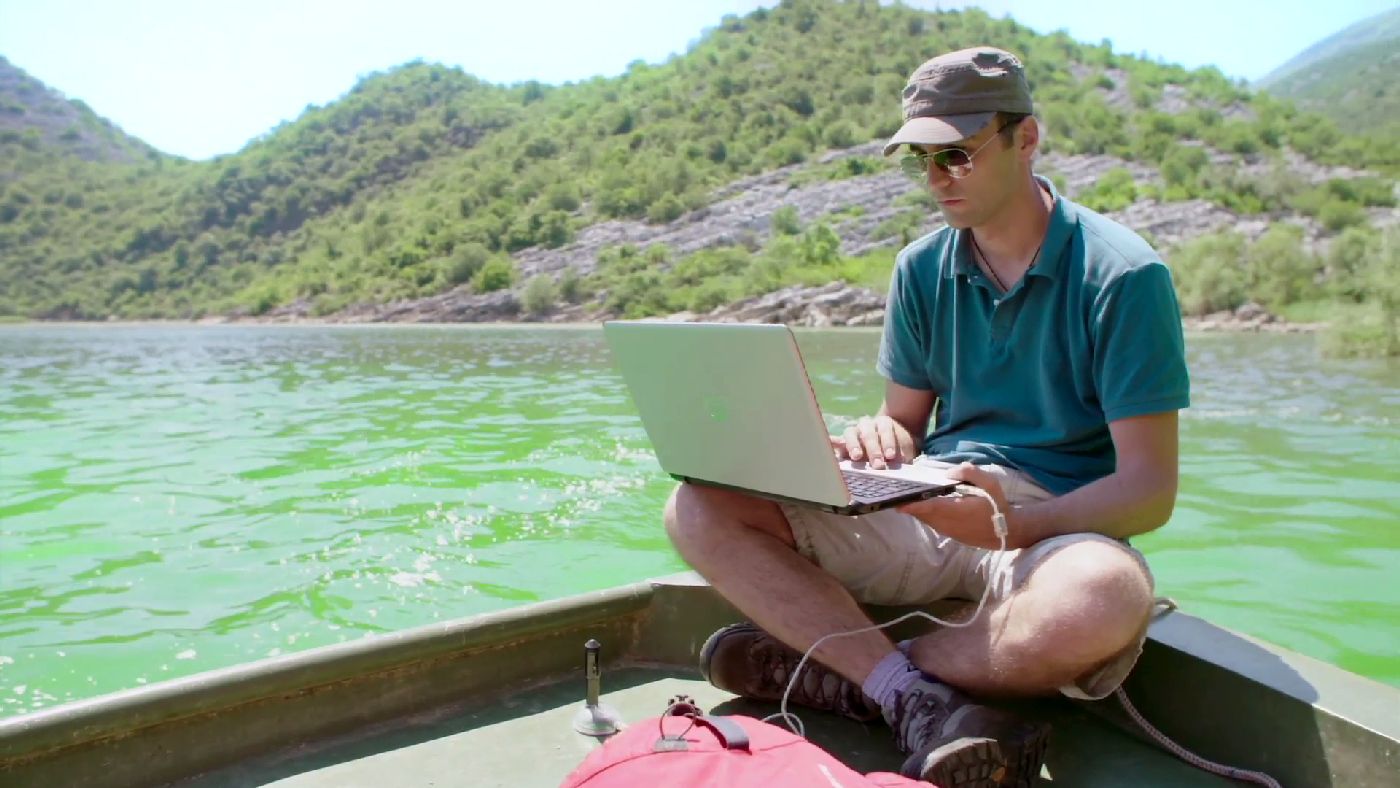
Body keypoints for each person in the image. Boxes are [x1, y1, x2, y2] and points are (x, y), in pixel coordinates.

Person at [663, 46, 1191, 787]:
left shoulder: (1124, 276)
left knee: (1103, 599)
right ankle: (908, 694)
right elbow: (905, 420)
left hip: (1057, 527)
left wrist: (1010, 525)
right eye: (922, 161)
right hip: (933, 497)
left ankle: (855, 672)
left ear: (1026, 138)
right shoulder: (920, 268)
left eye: (958, 155)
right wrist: (886, 438)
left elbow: (1148, 490)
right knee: (698, 505)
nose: (939, 179)